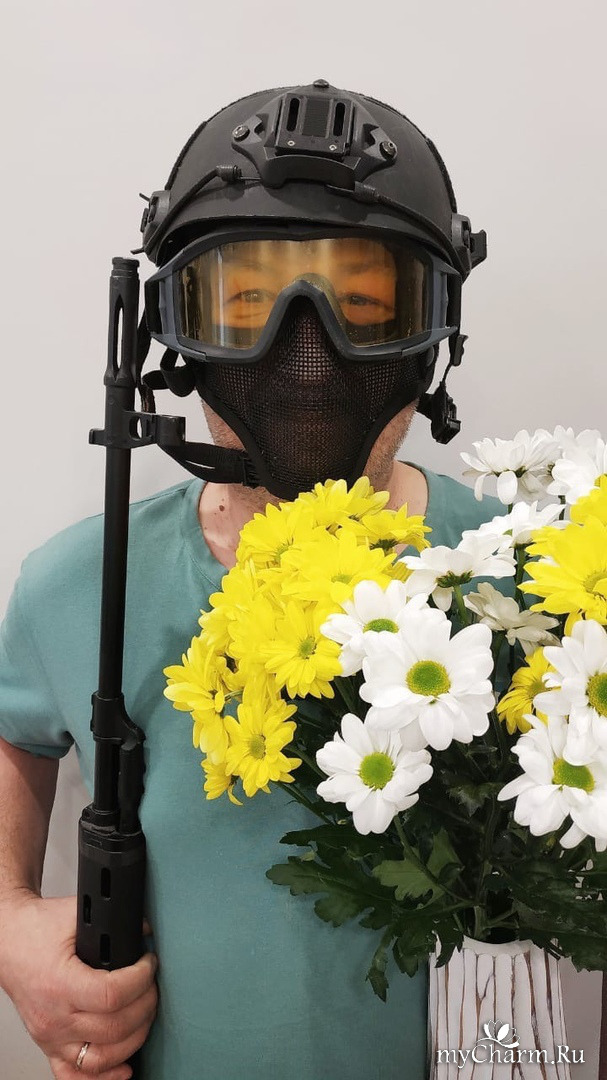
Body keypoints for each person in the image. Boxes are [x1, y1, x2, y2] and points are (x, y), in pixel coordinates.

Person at [0, 81, 503, 1080]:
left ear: (432, 331)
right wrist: (10, 923)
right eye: (244, 305)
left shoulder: (524, 577)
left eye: (365, 305)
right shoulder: (77, 585)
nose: (305, 354)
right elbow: (15, 733)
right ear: (173, 333)